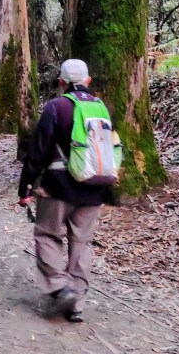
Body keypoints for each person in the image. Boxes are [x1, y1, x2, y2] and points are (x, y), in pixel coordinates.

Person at [17, 59, 113, 323]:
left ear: (61, 82)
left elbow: (37, 152)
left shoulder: (56, 106)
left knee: (47, 235)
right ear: (88, 81)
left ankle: (60, 287)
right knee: (81, 242)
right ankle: (77, 304)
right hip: (95, 186)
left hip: (58, 186)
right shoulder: (102, 108)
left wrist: (26, 186)